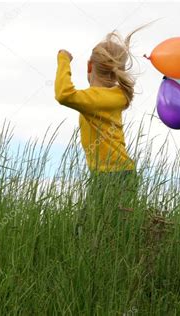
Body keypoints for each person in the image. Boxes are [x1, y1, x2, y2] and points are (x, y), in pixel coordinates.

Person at [55, 28, 144, 238]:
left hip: (112, 176)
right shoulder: (115, 95)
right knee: (104, 232)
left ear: (89, 66)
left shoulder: (96, 99)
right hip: (116, 174)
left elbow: (63, 94)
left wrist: (63, 59)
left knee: (86, 232)